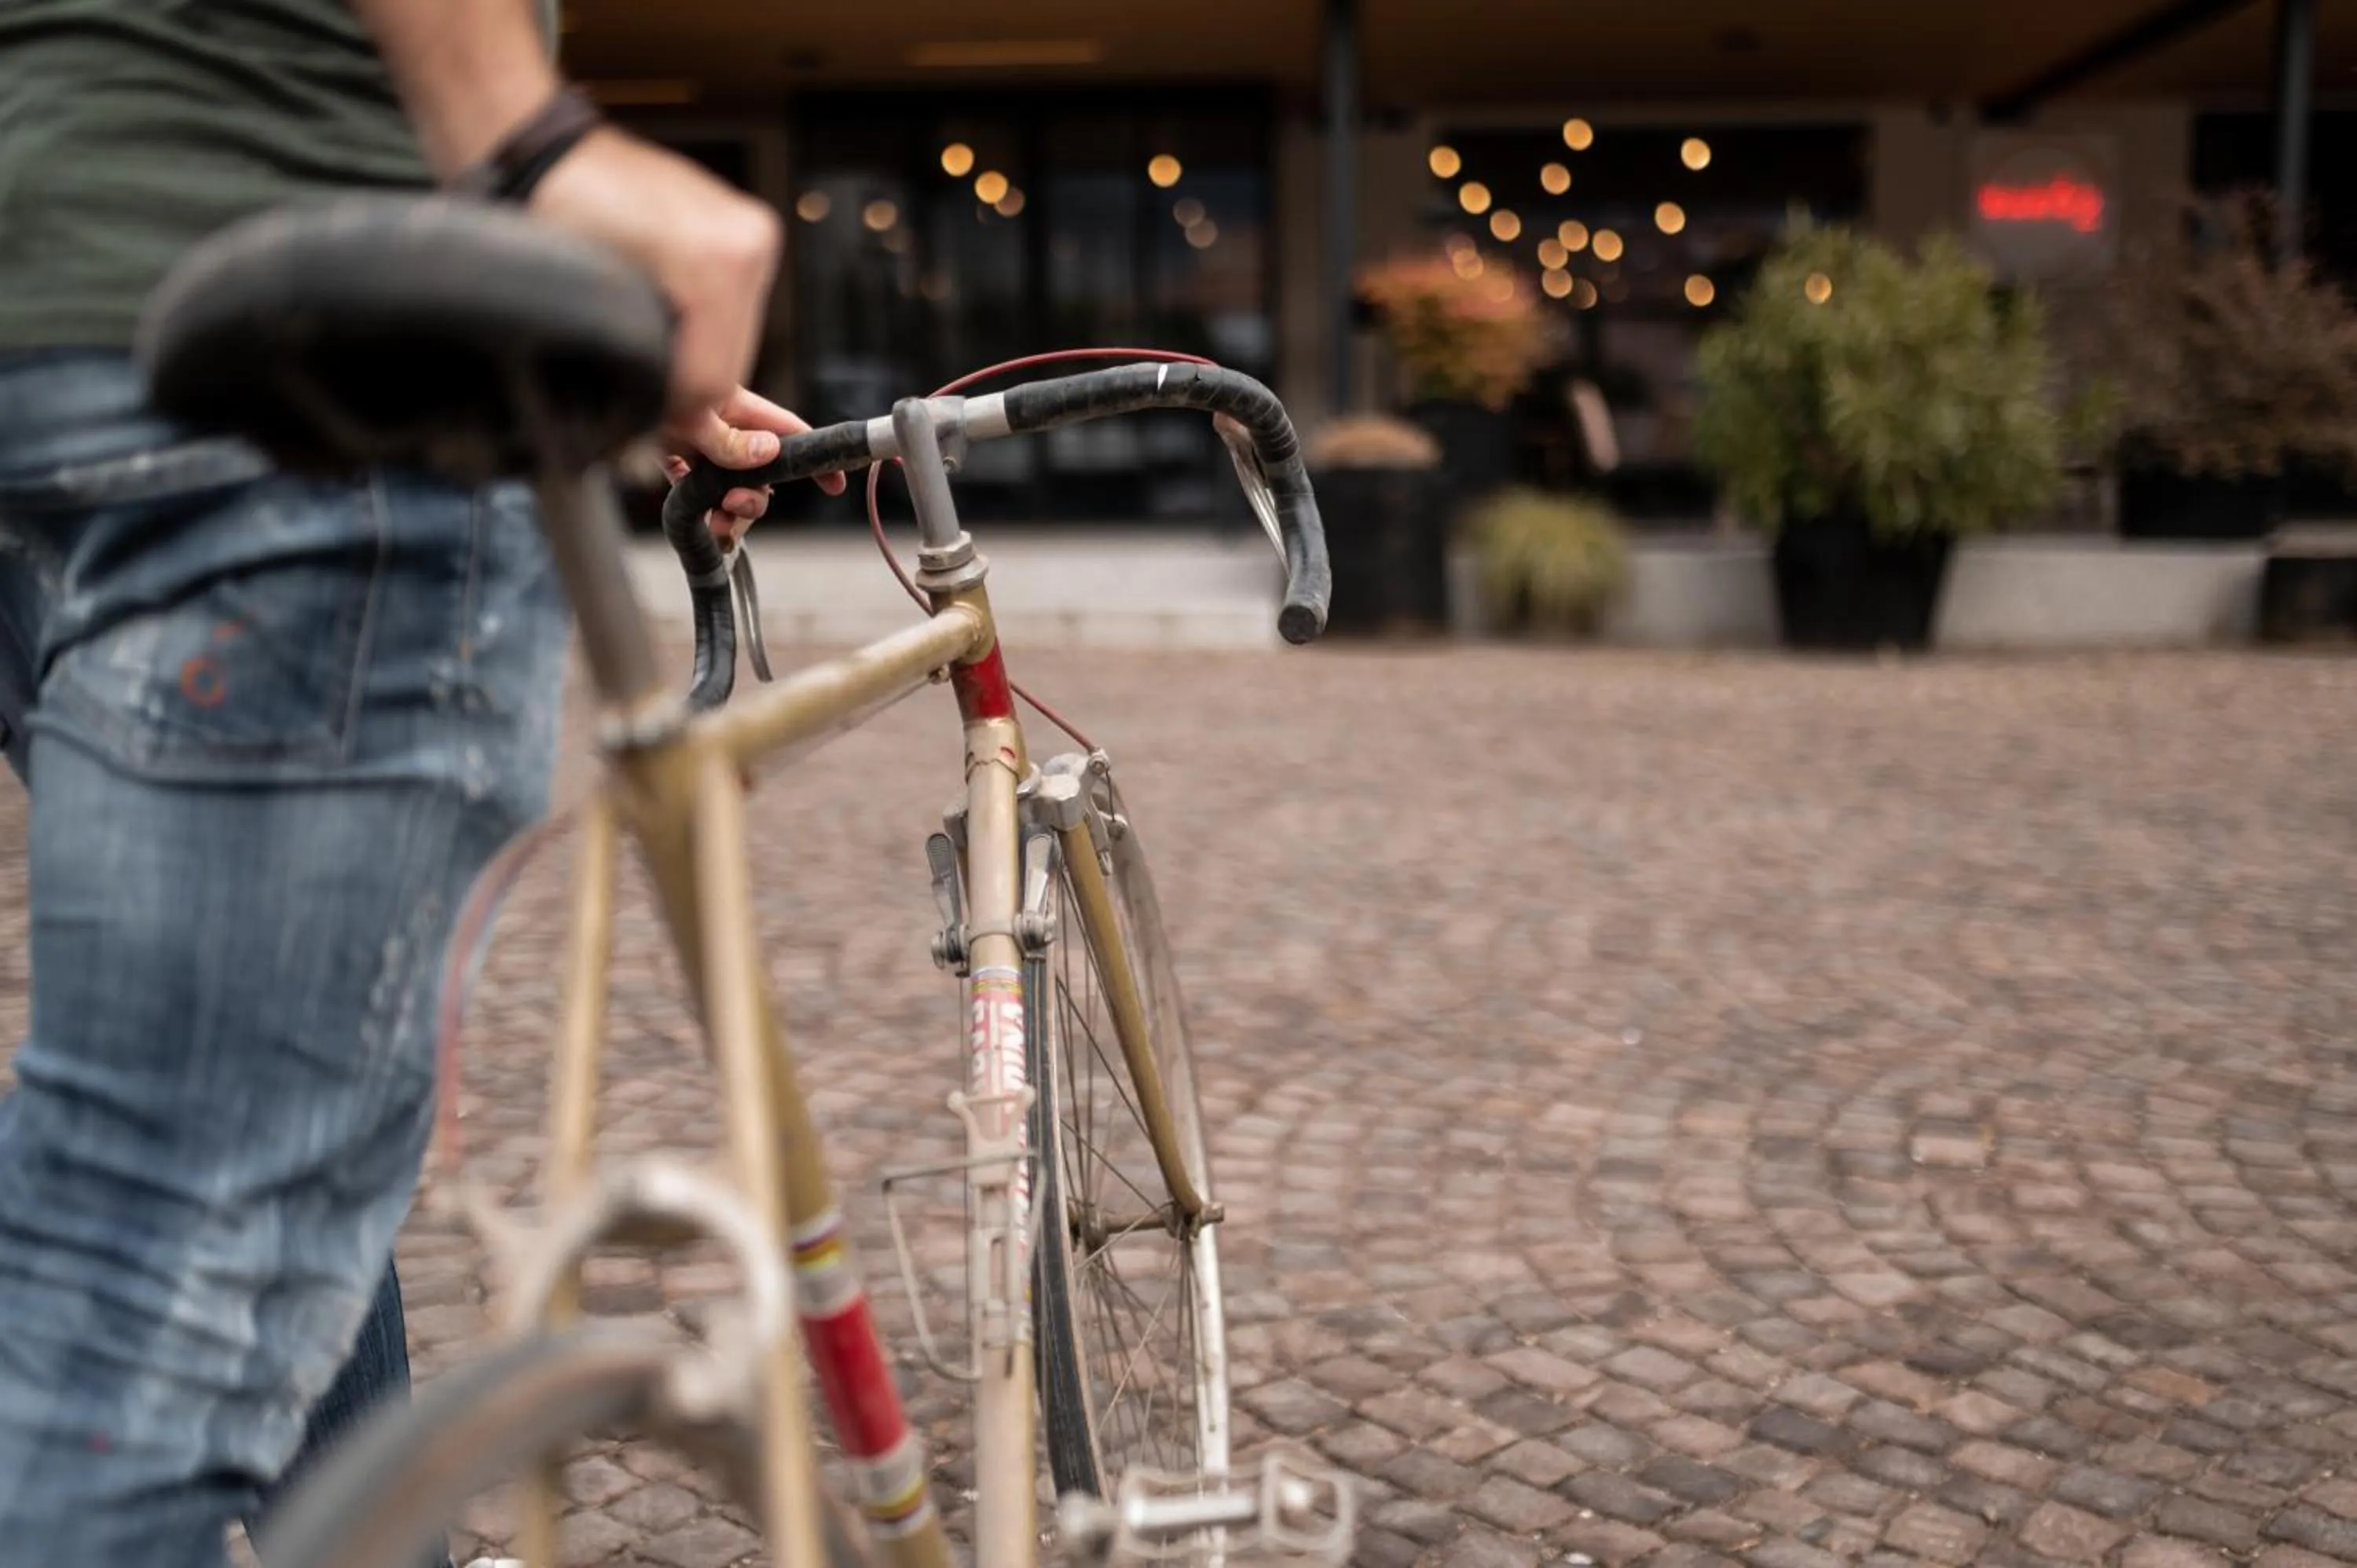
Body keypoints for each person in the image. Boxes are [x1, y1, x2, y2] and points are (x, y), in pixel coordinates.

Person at [0, 2, 836, 1563]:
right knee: (142, 1285)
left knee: (219, 1133)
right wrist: (523, 148)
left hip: (45, 312)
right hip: (300, 319)